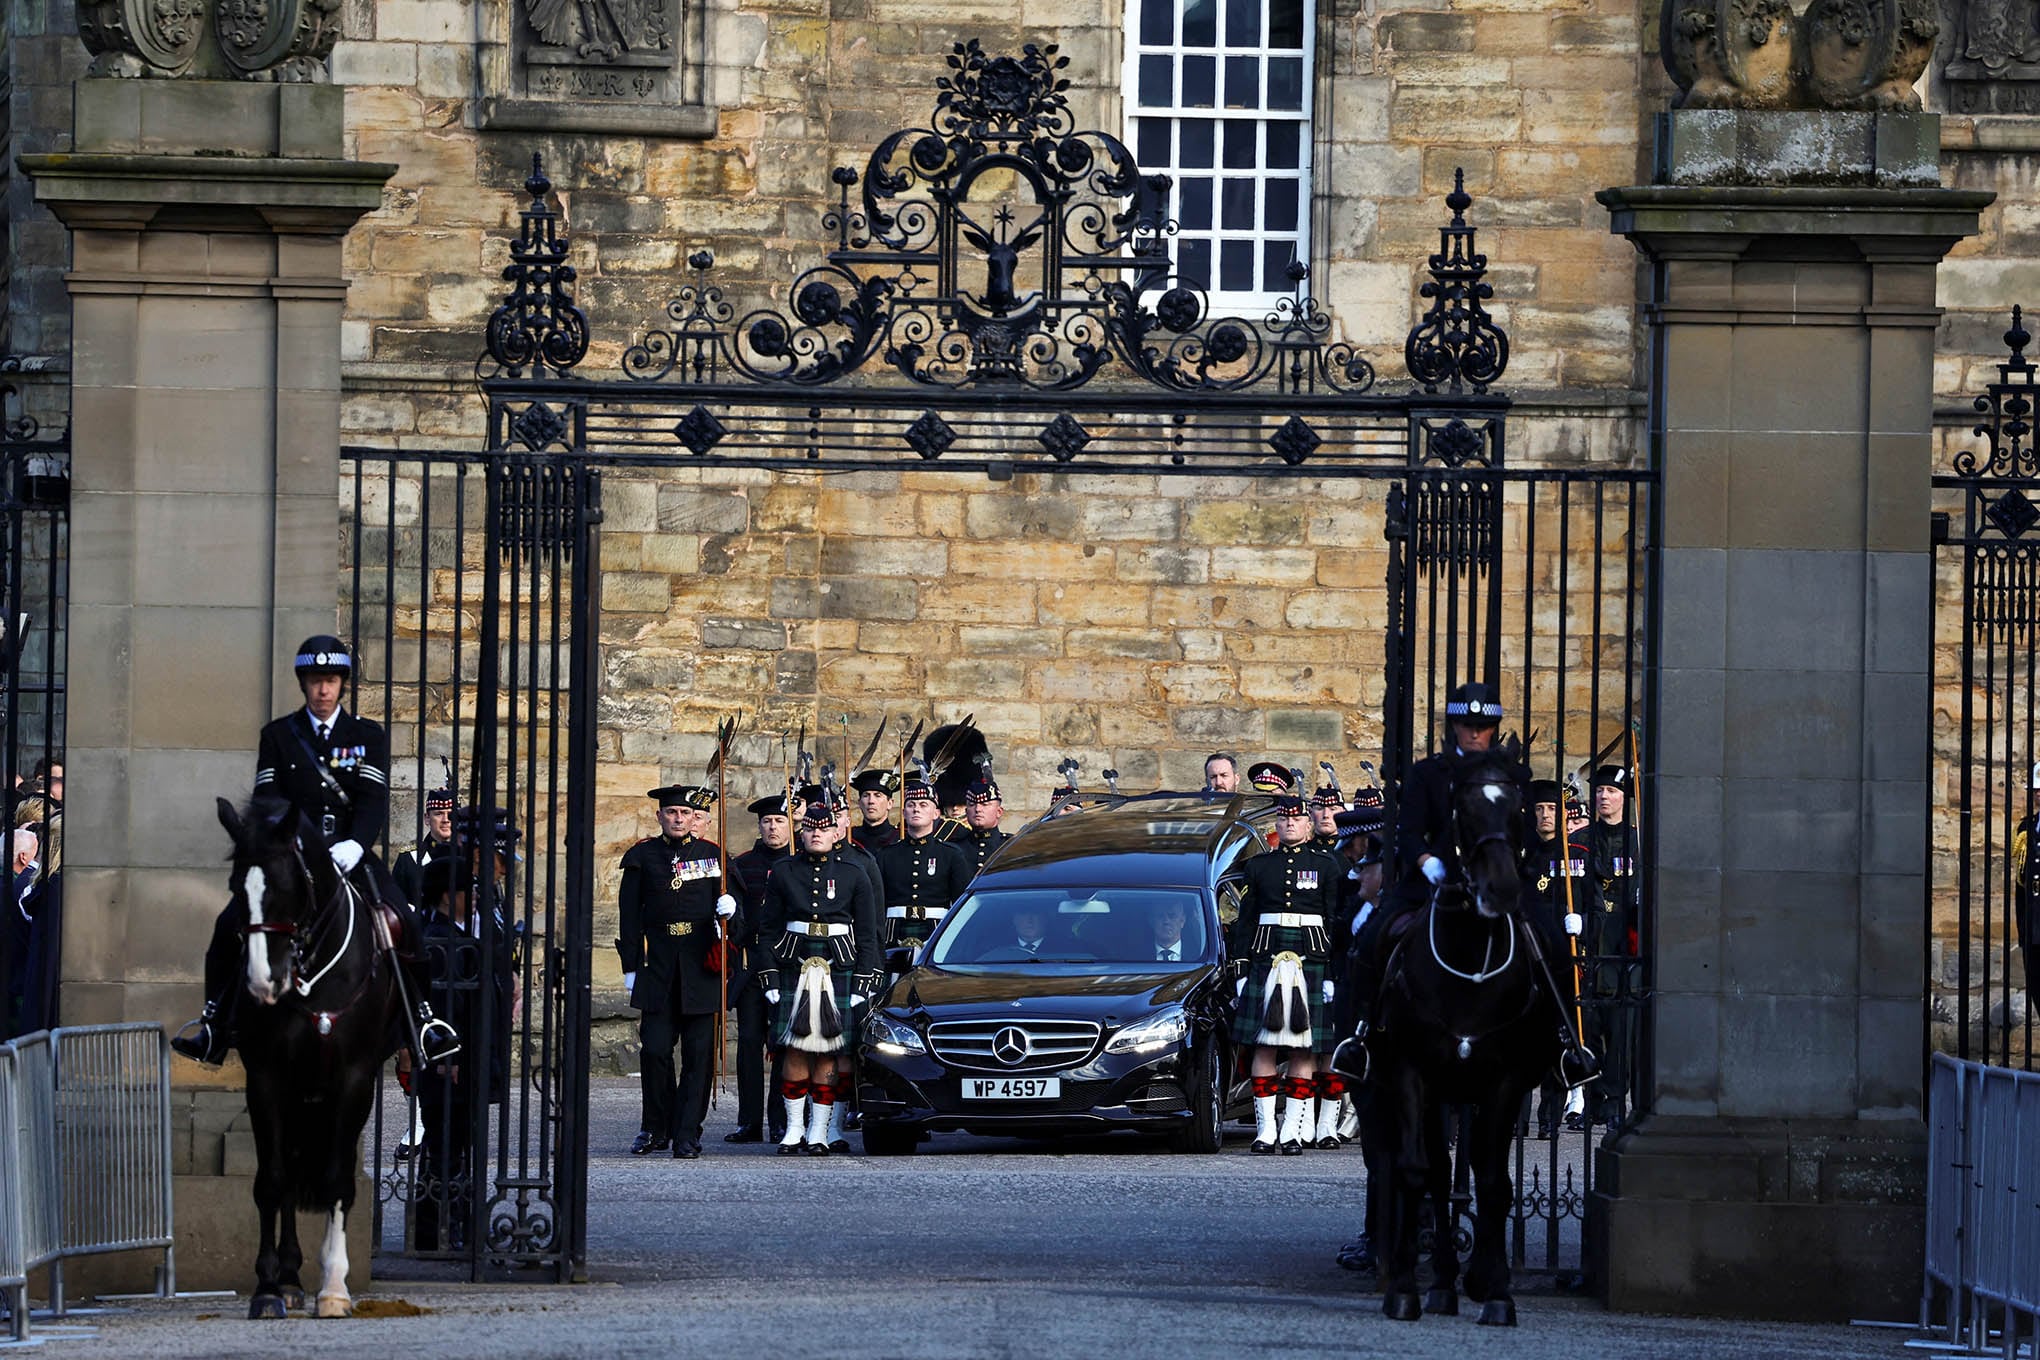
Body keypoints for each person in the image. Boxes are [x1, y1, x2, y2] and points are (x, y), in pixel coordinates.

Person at [172, 636, 459, 1066]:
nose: (322, 691)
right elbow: (267, 799)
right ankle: (214, 1023)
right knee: (230, 922)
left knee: (401, 920)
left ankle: (423, 1021)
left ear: (341, 684)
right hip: (291, 857)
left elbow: (372, 799)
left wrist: (355, 844)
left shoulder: (365, 736)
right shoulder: (279, 736)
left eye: (330, 681)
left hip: (348, 853)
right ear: (303, 685)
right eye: (314, 682)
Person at [616, 785, 738, 1159]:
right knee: (654, 1050)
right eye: (671, 813)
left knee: (699, 1056)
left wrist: (731, 913)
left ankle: (688, 1132)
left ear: (694, 818)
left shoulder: (714, 857)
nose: (678, 819)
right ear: (659, 817)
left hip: (701, 967)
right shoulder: (642, 857)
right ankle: (655, 1127)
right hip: (659, 966)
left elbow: (740, 919)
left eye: (685, 813)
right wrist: (631, 967)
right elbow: (629, 915)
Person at [759, 796, 881, 1156]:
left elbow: (868, 935)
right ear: (802, 830)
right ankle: (794, 1128)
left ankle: (819, 1130)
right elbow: (767, 930)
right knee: (795, 1049)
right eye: (811, 828)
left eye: (824, 828)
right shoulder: (783, 871)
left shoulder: (854, 873)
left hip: (839, 966)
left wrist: (863, 983)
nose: (817, 834)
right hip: (793, 965)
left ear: (836, 831)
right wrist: (768, 978)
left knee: (830, 1052)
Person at [1229, 788, 1342, 1154]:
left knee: (1304, 1049)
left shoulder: (1328, 866)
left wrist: (1332, 974)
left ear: (1308, 824)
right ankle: (1266, 1131)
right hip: (1266, 956)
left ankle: (1292, 1131)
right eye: (1284, 818)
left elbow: (1334, 921)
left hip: (1312, 959)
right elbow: (1245, 921)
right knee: (1263, 1044)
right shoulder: (1259, 866)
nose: (1289, 822)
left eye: (1296, 818)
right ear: (1277, 822)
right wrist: (1243, 967)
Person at [726, 793, 792, 1144]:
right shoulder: (744, 864)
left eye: (779, 821)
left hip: (787, 965)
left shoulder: (798, 862)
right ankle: (748, 1120)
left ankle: (780, 1119)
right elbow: (736, 921)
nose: (772, 827)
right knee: (749, 1042)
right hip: (752, 966)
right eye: (767, 821)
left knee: (782, 1043)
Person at [1524, 779, 1589, 1138]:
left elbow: (1592, 901)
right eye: (1540, 809)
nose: (1545, 816)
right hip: (1527, 956)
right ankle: (1518, 1117)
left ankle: (1549, 1115)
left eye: (1551, 809)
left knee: (1557, 1037)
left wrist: (1582, 928)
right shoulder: (1525, 854)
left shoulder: (1576, 854)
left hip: (1561, 957)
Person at [1580, 763, 1639, 1128]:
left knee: (1621, 1034)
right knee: (1588, 1028)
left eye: (1612, 792)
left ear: (1624, 798)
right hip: (1591, 943)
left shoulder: (1639, 841)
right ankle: (1592, 1098)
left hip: (1623, 946)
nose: (1604, 796)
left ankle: (1616, 1100)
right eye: (1599, 791)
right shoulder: (1583, 839)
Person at [875, 769, 972, 955]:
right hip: (893, 932)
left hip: (935, 932)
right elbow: (877, 904)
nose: (916, 809)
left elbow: (960, 903)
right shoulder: (887, 855)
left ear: (936, 813)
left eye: (923, 804)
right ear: (903, 812)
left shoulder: (951, 854)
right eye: (911, 805)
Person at [394, 784, 457, 907]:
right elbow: (398, 905)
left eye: (450, 814)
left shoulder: (467, 855)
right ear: (427, 819)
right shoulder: (409, 859)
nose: (445, 819)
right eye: (438, 814)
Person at [849, 770, 901, 851]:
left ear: (890, 803)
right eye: (866, 795)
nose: (871, 801)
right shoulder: (849, 837)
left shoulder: (900, 837)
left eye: (877, 795)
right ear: (859, 803)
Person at [1148, 899, 1190, 963]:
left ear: (1182, 920)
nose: (1166, 921)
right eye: (1160, 916)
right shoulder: (1136, 955)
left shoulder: (1200, 955)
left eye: (1172, 916)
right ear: (1151, 921)